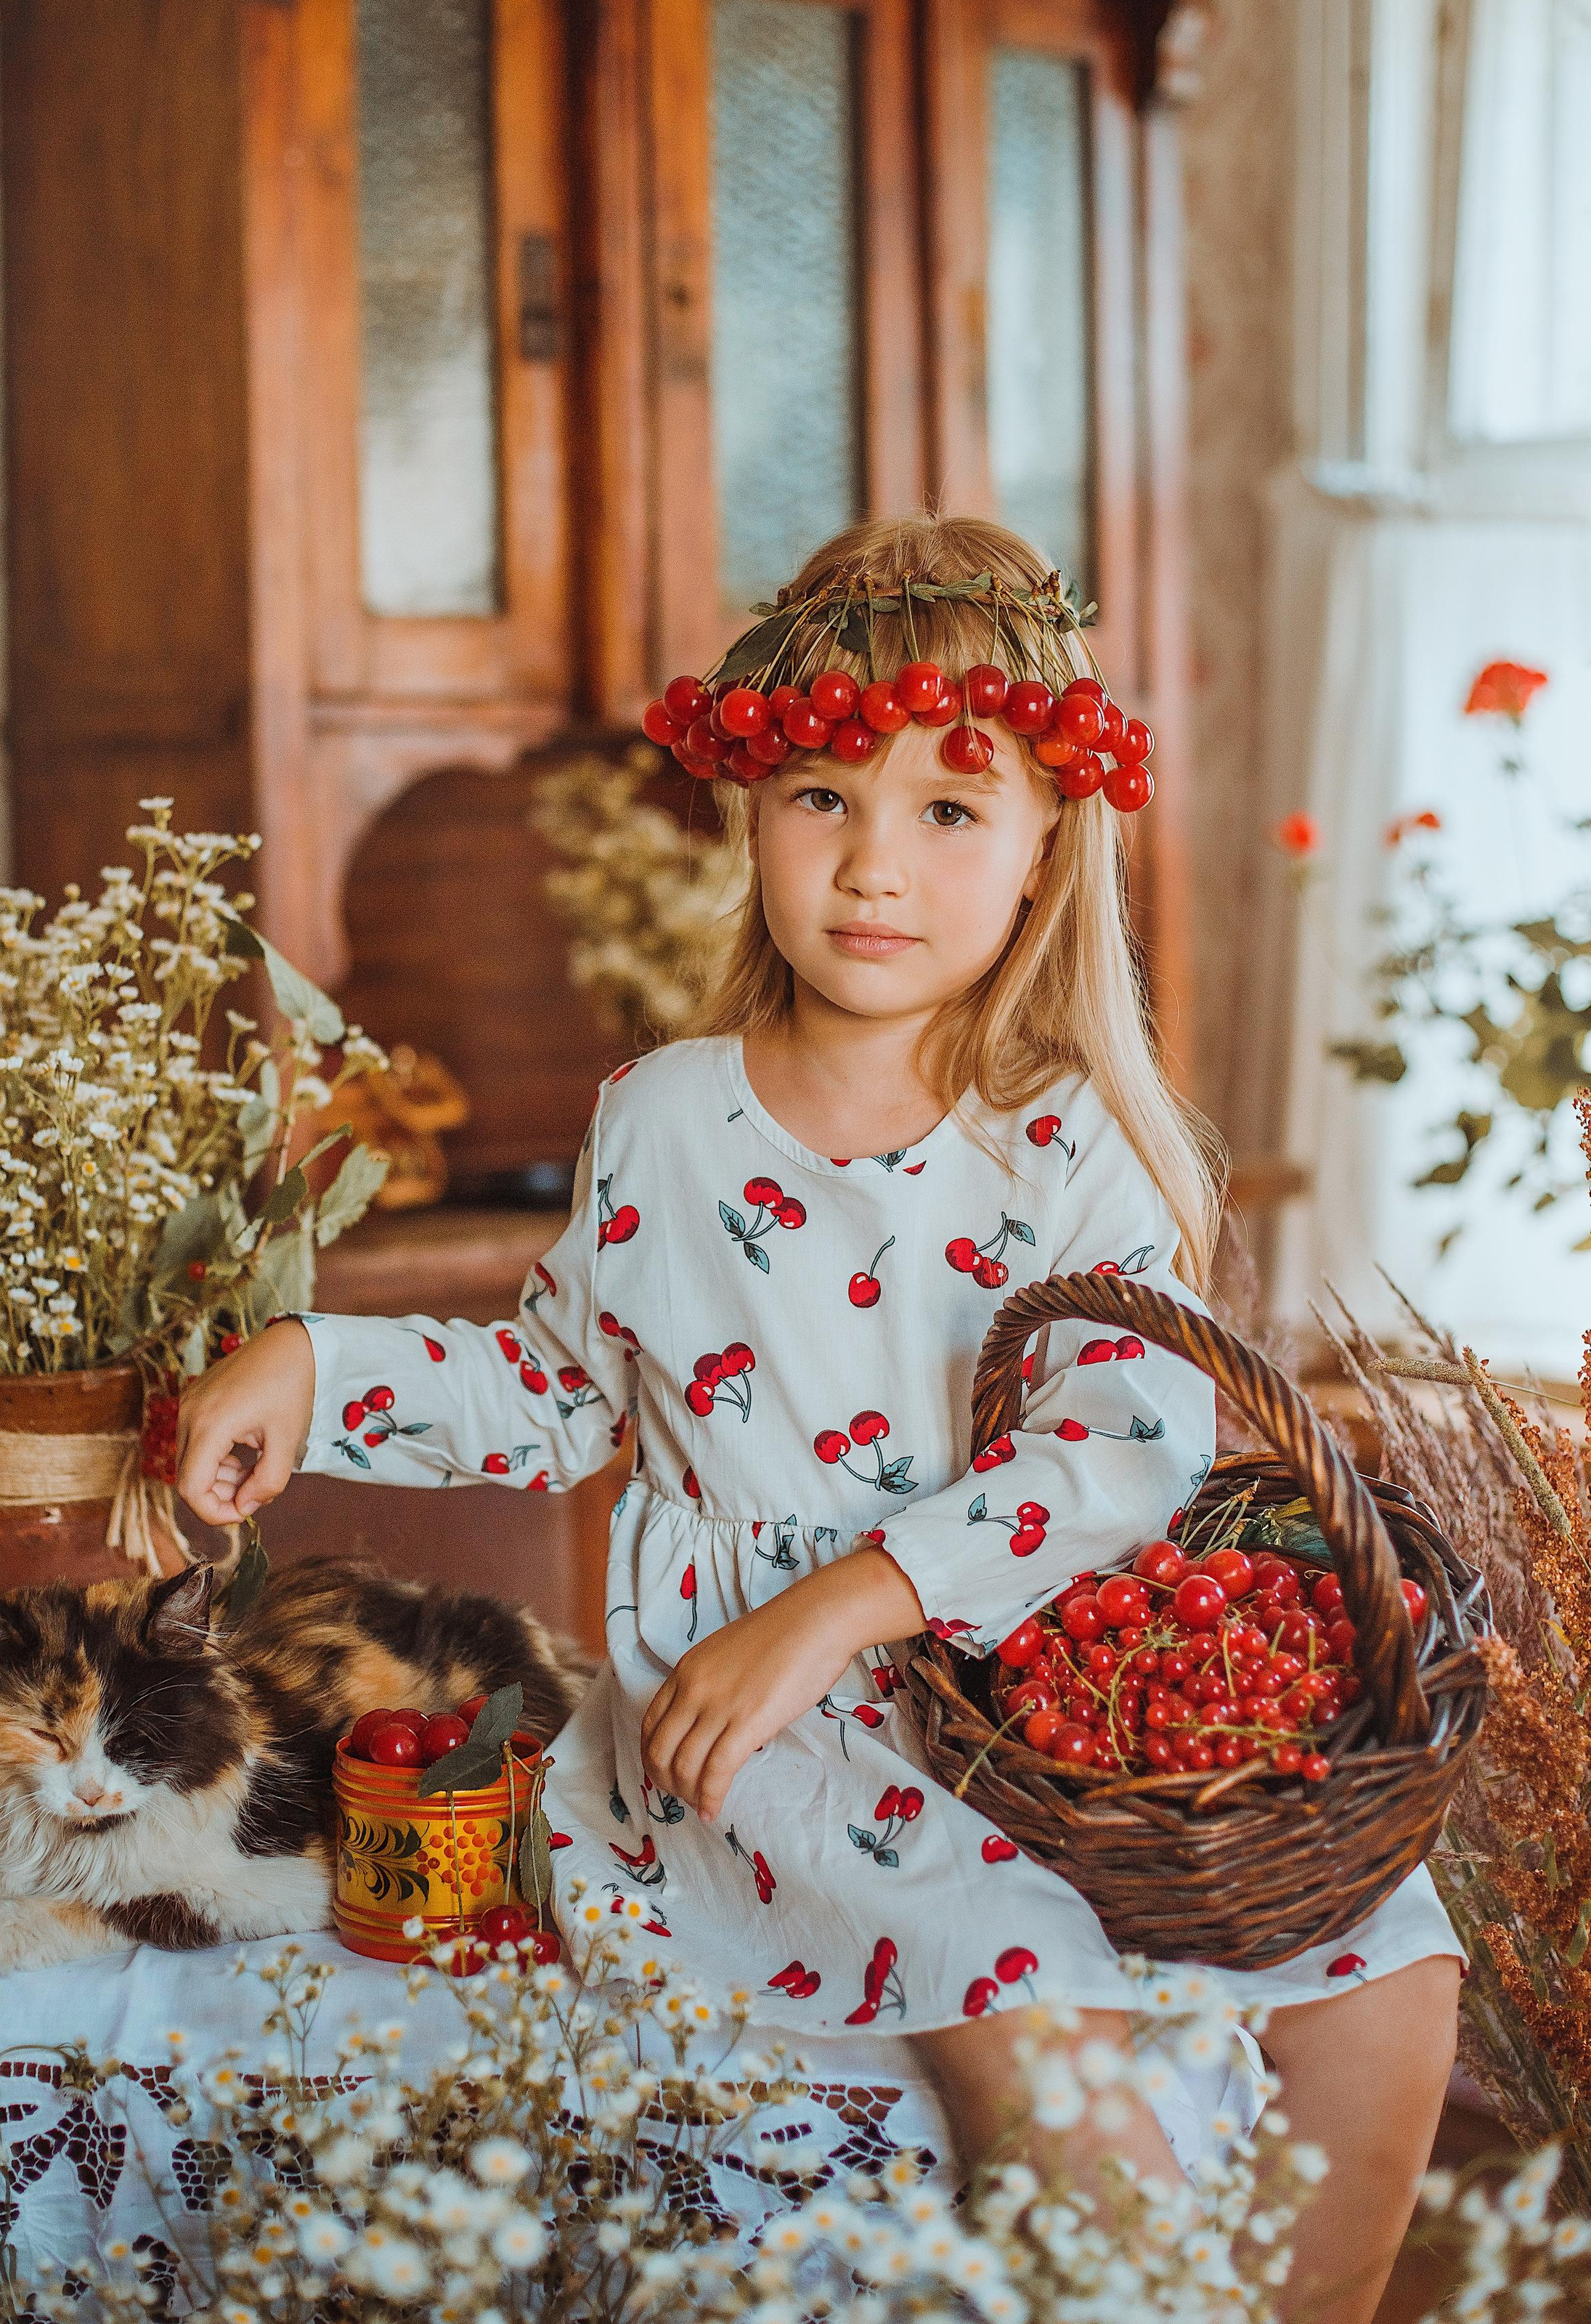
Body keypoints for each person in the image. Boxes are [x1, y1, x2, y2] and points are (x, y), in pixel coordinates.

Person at [178, 514, 1460, 2324]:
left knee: (1392, 1969)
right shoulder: (664, 1117)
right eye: (817, 798)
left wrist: (846, 1597)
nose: (872, 867)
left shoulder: (1072, 1140)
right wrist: (314, 1364)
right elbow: (555, 1390)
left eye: (946, 810)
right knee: (1025, 2009)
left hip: (1033, 1702)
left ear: (1040, 850)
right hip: (769, 1738)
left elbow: (1122, 1453)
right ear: (747, 812)